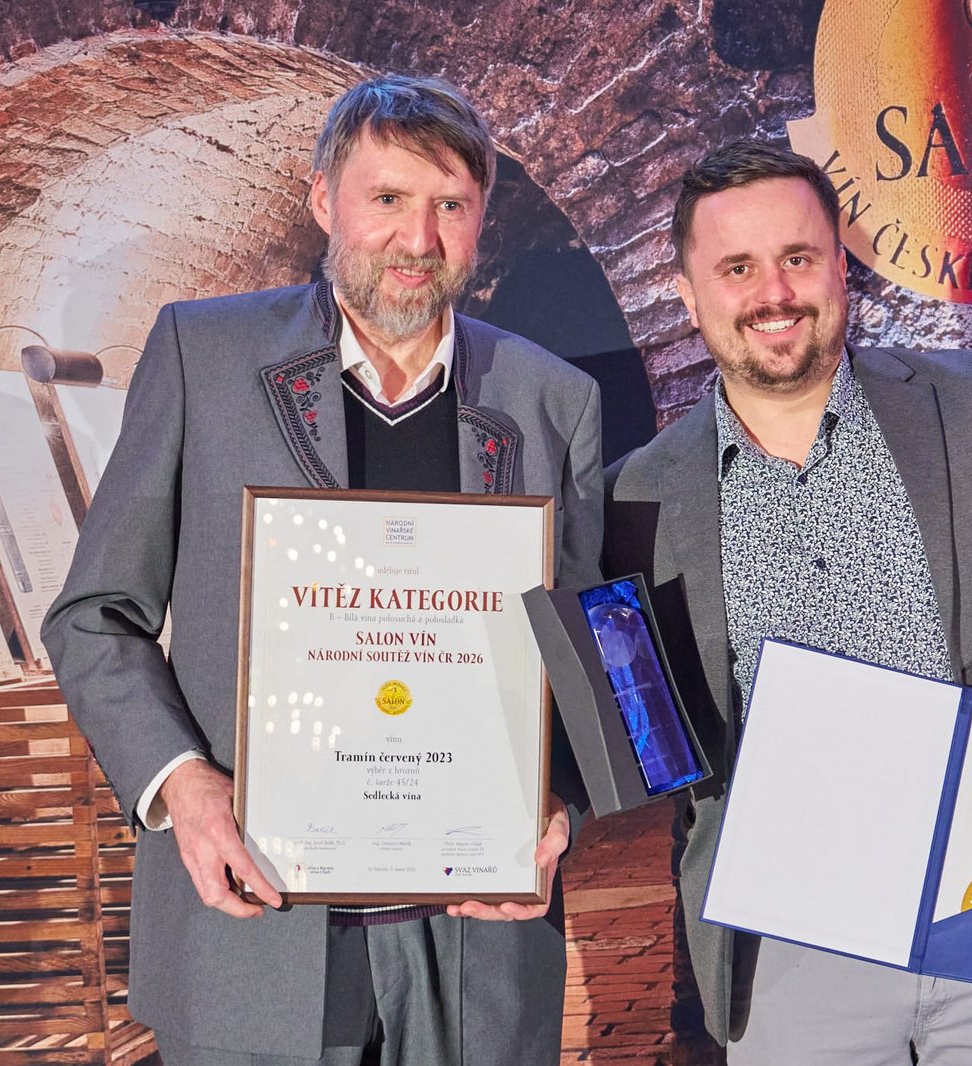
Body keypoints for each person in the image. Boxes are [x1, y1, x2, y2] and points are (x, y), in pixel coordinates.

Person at [43, 74, 601, 1065]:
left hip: (474, 947)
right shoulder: (203, 356)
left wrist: (558, 802)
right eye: (387, 198)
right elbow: (94, 615)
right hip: (258, 928)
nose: (417, 238)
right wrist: (182, 786)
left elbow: (587, 654)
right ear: (321, 200)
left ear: (482, 219)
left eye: (450, 206)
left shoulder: (551, 400)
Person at [603, 139, 972, 1064]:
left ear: (841, 266)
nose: (774, 292)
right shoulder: (636, 496)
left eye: (798, 257)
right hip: (787, 938)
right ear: (688, 294)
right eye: (737, 267)